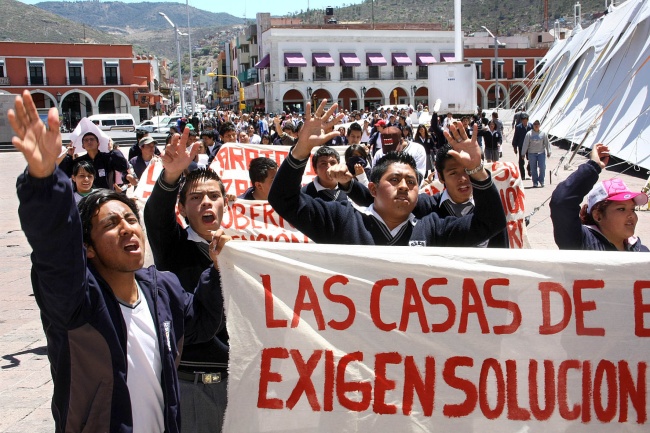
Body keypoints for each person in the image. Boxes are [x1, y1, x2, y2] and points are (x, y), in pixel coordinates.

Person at [9, 91, 229, 433]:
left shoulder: (164, 292)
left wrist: (217, 271)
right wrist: (44, 181)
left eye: (130, 219)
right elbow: (55, 249)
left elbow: (201, 323)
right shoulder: (78, 302)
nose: (128, 228)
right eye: (111, 224)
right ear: (89, 247)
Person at [268, 100, 506, 246]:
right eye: (394, 179)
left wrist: (477, 170)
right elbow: (283, 200)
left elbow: (490, 223)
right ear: (372, 188)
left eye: (411, 182)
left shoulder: (434, 229)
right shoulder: (342, 220)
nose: (404, 186)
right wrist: (299, 152)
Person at [144, 130, 231, 433]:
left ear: (226, 203)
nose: (206, 203)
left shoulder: (245, 251)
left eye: (213, 196)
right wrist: (171, 176)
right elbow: (155, 216)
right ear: (181, 209)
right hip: (195, 386)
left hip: (242, 384)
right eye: (196, 198)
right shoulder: (174, 246)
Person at [550, 143, 648, 251]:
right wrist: (593, 166)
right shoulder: (581, 242)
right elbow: (562, 202)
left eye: (633, 209)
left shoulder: (641, 251)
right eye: (621, 209)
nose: (631, 215)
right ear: (597, 215)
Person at [521, 120, 551, 187]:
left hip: (541, 153)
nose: (536, 126)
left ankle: (542, 180)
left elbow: (547, 143)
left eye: (537, 124)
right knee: (533, 168)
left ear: (539, 125)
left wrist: (549, 151)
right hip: (532, 154)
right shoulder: (529, 134)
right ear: (533, 126)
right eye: (535, 125)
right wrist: (523, 153)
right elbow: (525, 144)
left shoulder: (543, 134)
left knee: (542, 167)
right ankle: (535, 182)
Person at [512, 113, 532, 180]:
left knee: (531, 159)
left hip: (530, 146)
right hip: (521, 146)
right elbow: (516, 137)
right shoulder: (518, 127)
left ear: (527, 120)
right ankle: (522, 175)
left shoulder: (531, 126)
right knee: (521, 161)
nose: (524, 122)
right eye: (523, 120)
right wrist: (515, 146)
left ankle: (529, 169)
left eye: (525, 120)